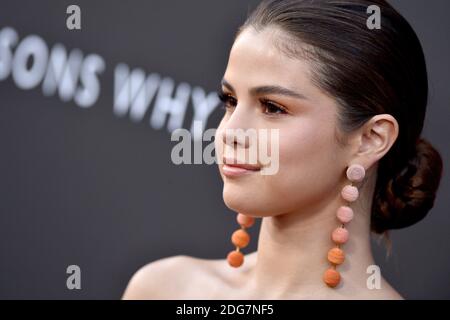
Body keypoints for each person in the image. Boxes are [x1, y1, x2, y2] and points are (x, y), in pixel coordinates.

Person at [122, 0, 443, 299]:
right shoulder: (165, 288)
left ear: (371, 139)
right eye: (230, 101)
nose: (229, 132)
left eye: (273, 107)